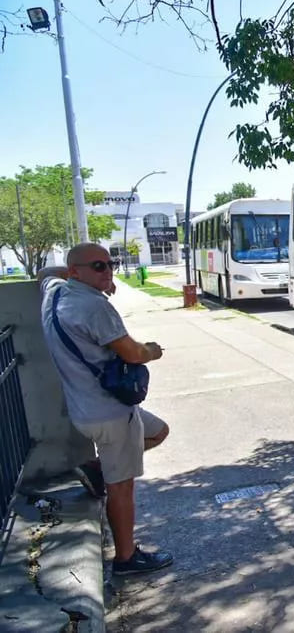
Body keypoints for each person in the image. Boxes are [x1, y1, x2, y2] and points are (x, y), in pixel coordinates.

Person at [37, 243, 173, 576]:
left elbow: (44, 273)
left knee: (158, 431)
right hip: (110, 414)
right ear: (75, 271)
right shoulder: (94, 308)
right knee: (122, 486)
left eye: (110, 264)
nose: (108, 271)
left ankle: (97, 468)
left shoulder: (55, 292)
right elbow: (133, 353)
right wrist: (153, 350)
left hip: (84, 410)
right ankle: (126, 558)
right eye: (99, 266)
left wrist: (95, 278)